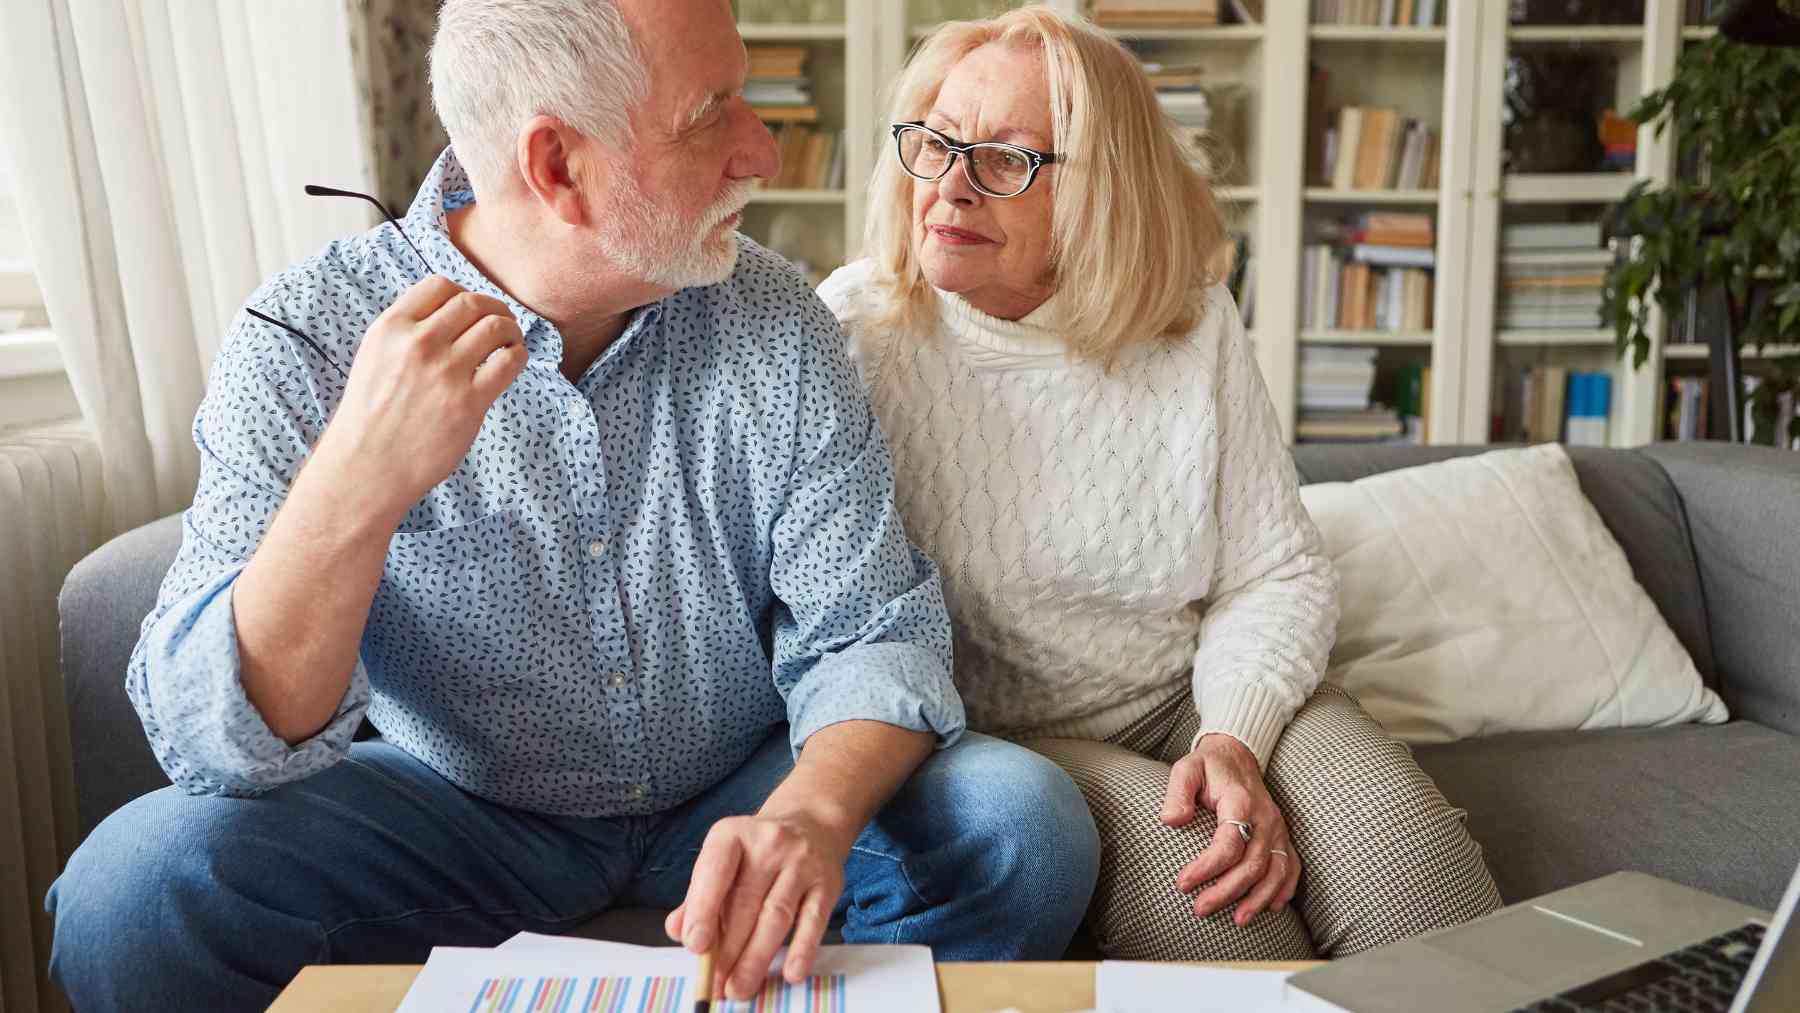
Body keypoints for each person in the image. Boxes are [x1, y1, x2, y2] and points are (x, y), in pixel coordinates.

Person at [44, 2, 1101, 1009]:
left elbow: (873, 631)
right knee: (132, 898)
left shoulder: (778, 321)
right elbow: (214, 738)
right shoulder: (307, 337)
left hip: (736, 786)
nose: (761, 152)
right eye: (710, 116)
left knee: (1020, 826)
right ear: (557, 165)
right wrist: (355, 484)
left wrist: (812, 815)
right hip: (449, 809)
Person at [819, 6, 1502, 962]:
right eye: (935, 142)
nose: (952, 186)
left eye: (1008, 159)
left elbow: (1275, 572)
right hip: (1006, 744)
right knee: (1233, 918)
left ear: (1101, 191)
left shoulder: (1191, 321)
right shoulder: (853, 331)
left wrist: (1233, 739)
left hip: (1188, 694)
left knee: (1417, 881)